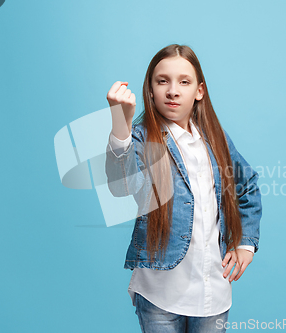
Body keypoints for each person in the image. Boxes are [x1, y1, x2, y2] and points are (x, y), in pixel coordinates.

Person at [104, 44, 262, 333]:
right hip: (160, 295)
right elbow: (121, 186)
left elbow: (247, 185)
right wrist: (120, 124)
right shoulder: (140, 138)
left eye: (184, 82)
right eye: (162, 81)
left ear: (199, 91)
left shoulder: (215, 138)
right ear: (150, 90)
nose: (173, 90)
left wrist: (245, 243)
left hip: (213, 293)